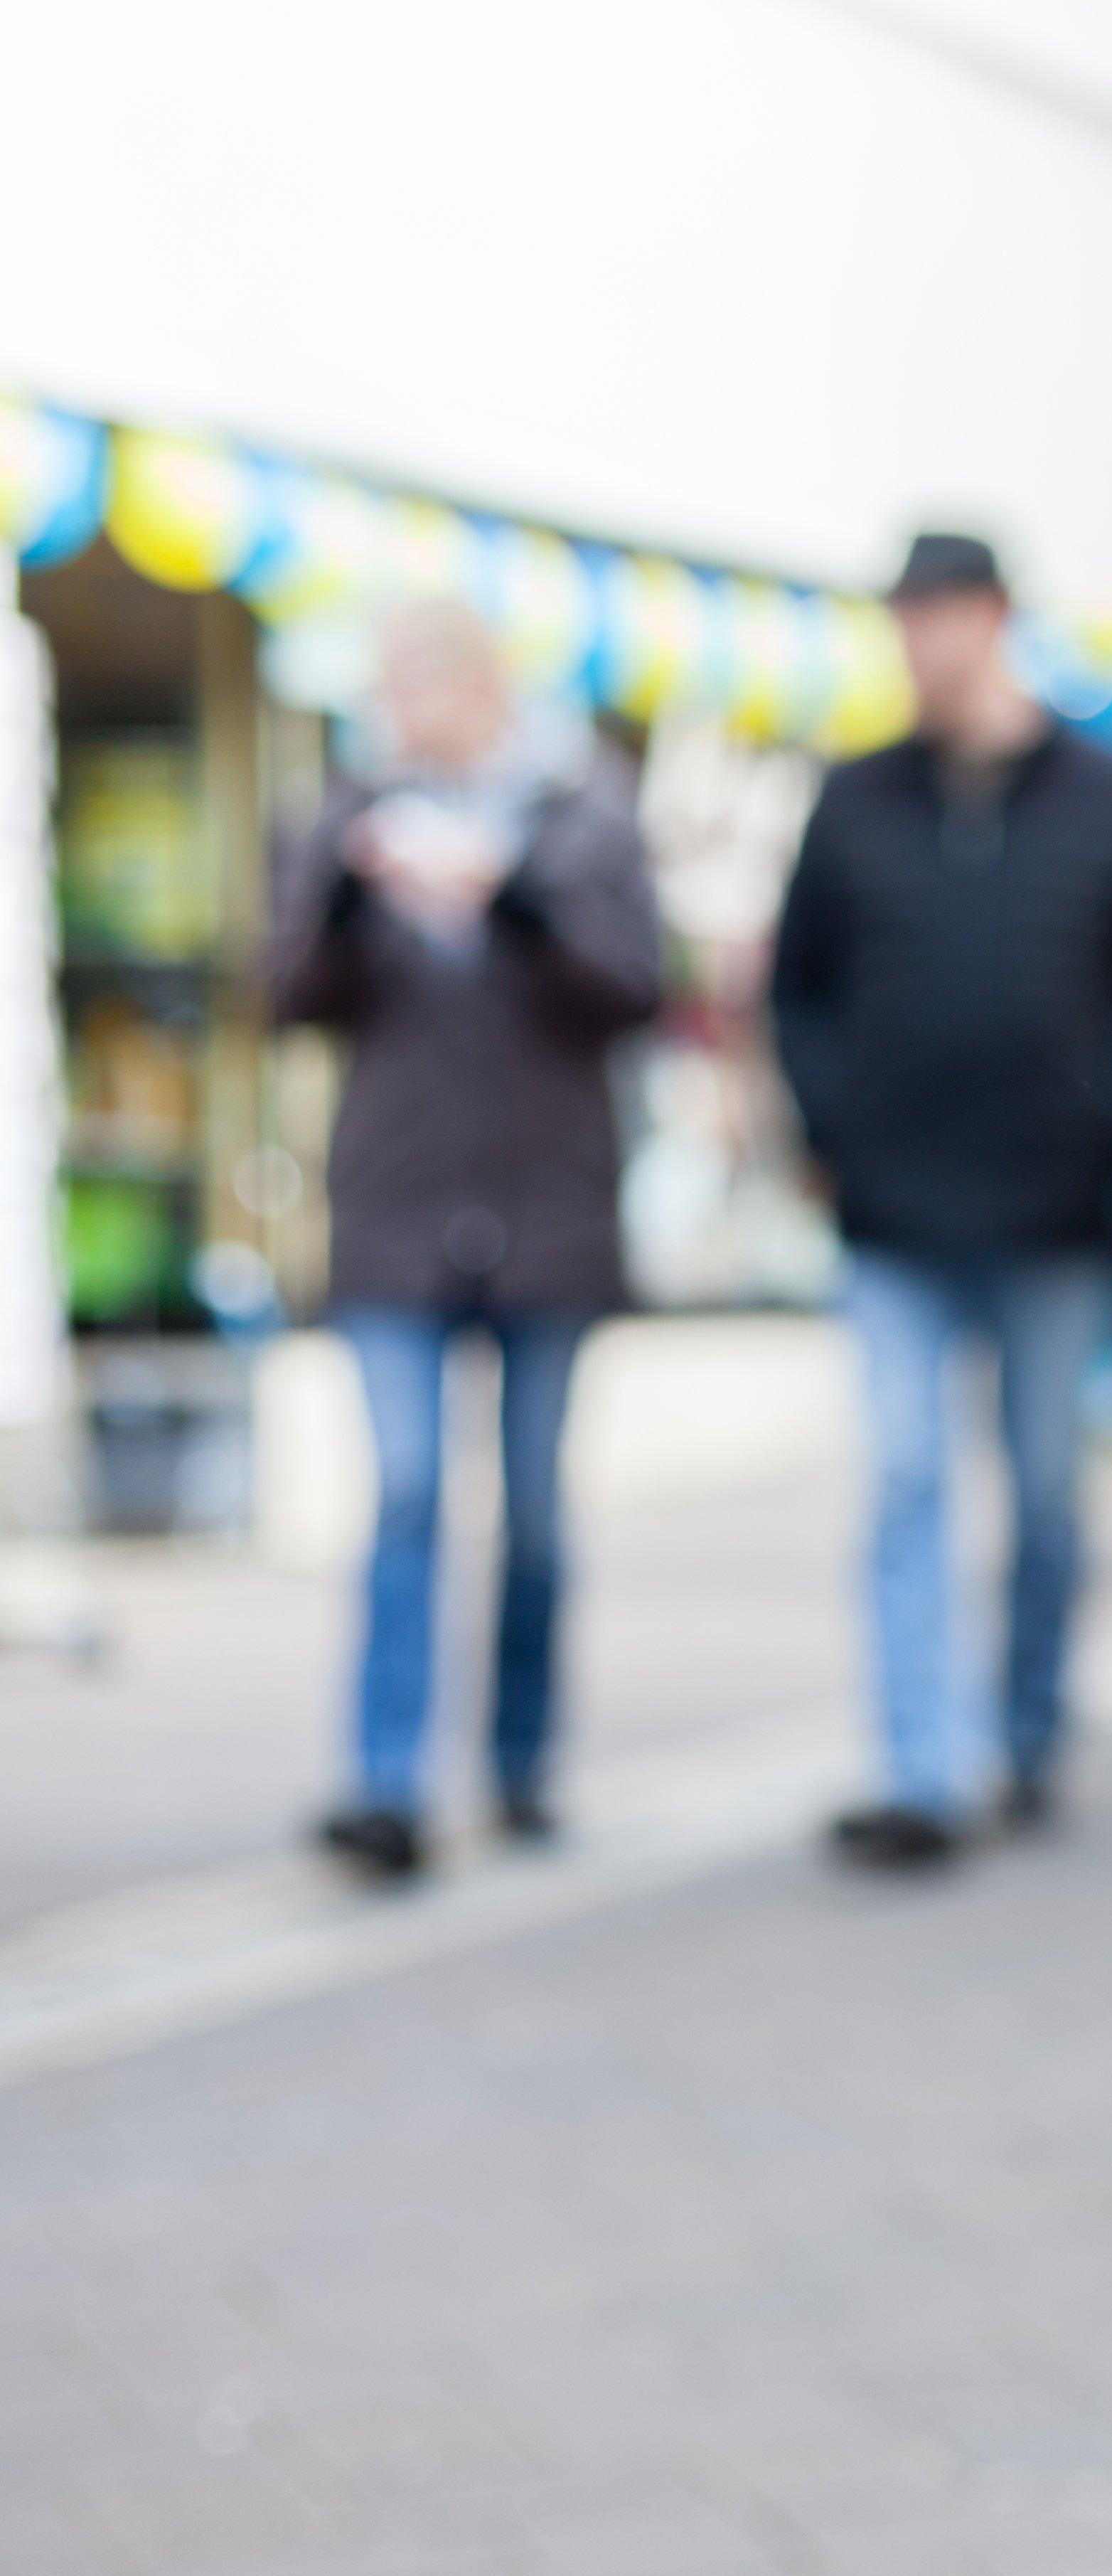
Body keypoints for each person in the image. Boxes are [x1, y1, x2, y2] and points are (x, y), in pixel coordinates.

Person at [770, 533, 1112, 1868]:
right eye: (908, 618)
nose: (927, 641)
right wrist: (830, 1125)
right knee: (906, 1479)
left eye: (947, 614)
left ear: (999, 620)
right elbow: (798, 986)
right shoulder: (854, 798)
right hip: (895, 1209)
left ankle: (1025, 1730)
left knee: (1045, 1495)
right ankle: (924, 1766)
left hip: (1050, 1207)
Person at [267, 597, 663, 1880]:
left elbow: (639, 990)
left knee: (535, 1513)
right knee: (404, 1493)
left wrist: (515, 901)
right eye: (392, 690)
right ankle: (385, 1782)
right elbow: (284, 993)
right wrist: (344, 882)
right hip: (396, 1211)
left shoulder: (583, 812)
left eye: (425, 687)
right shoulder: (350, 814)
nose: (407, 714)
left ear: (486, 689)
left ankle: (522, 1761)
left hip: (546, 1209)